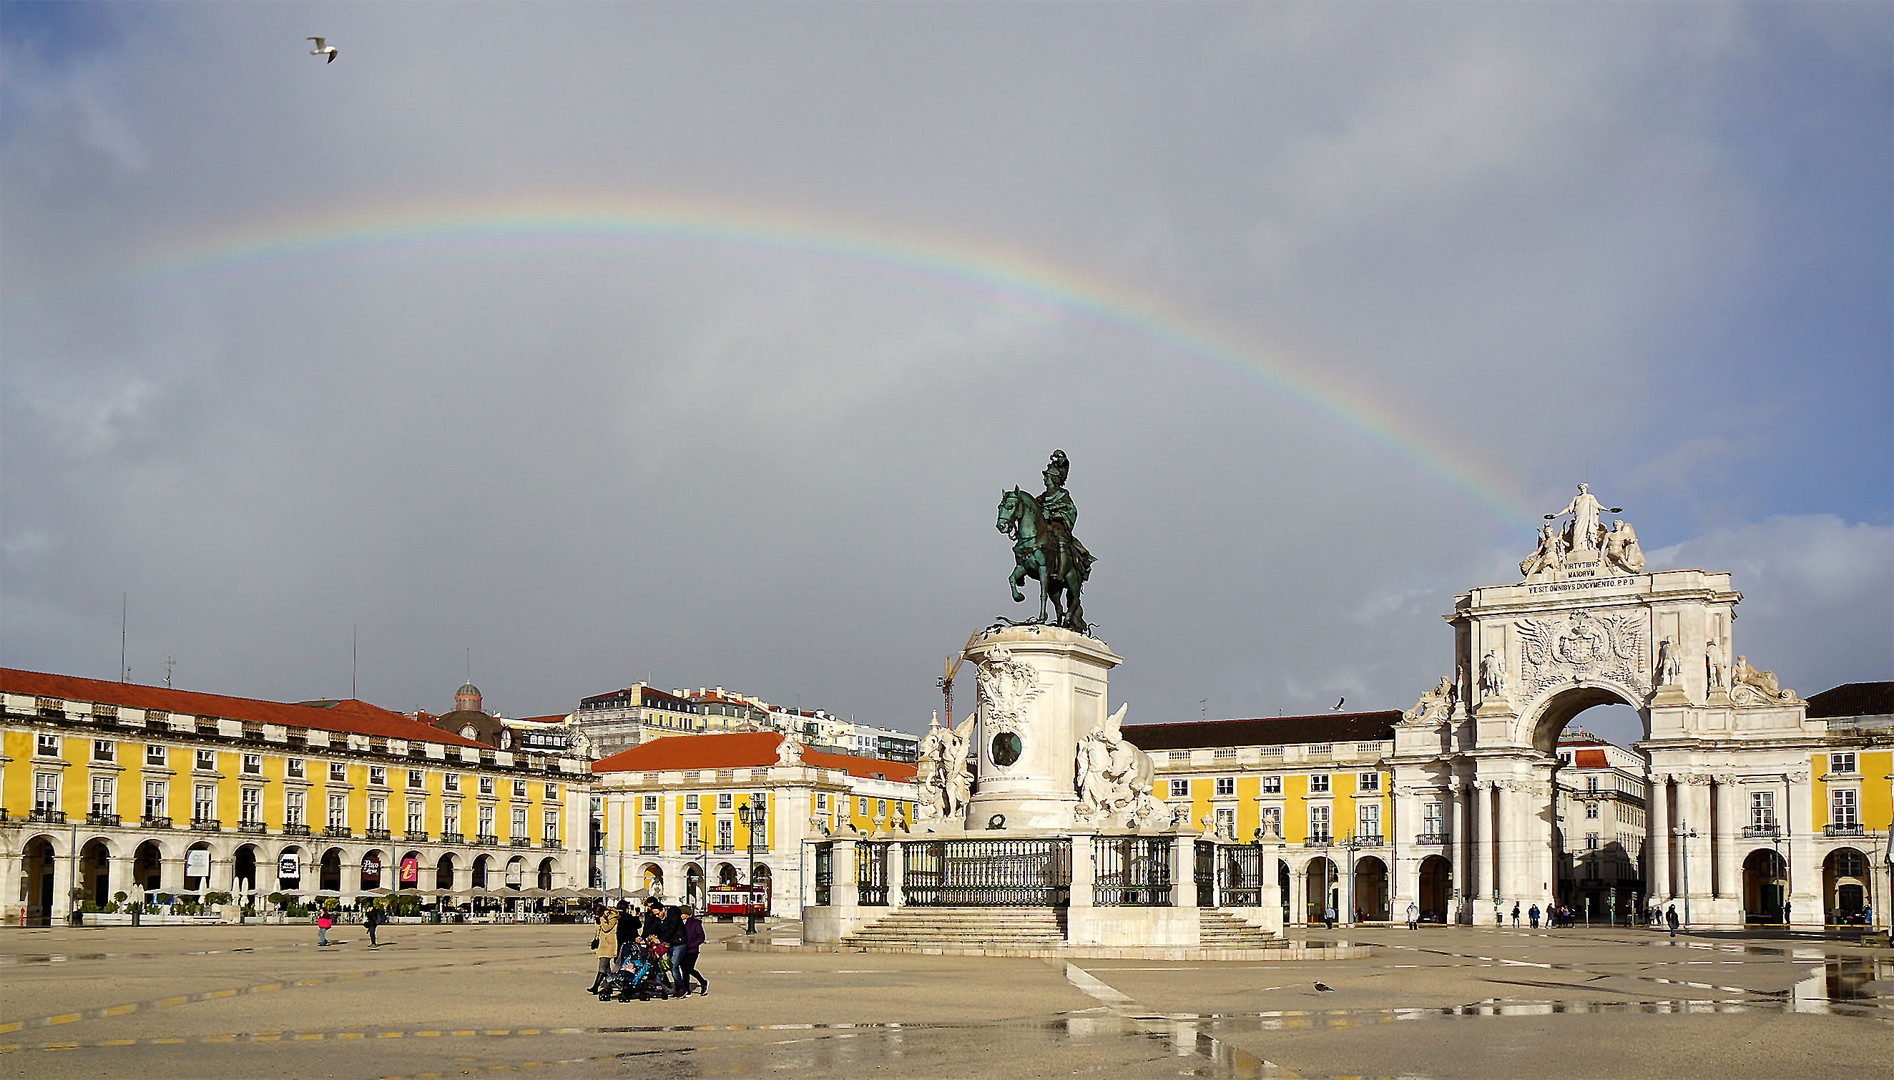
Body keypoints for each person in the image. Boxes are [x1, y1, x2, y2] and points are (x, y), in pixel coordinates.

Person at [676, 906, 709, 996]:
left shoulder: (695, 923)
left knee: (688, 968)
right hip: (680, 949)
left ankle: (703, 982)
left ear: (687, 915)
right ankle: (687, 989)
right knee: (684, 970)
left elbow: (701, 937)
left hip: (692, 950)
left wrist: (691, 945)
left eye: (681, 913)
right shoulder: (677, 922)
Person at [589, 902, 619, 995]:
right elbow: (598, 929)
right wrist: (598, 922)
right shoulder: (602, 918)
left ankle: (595, 986)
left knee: (603, 965)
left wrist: (602, 919)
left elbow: (607, 928)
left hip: (610, 944)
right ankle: (609, 985)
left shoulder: (612, 917)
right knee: (607, 968)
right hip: (603, 944)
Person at [660, 903, 687, 995]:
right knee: (669, 965)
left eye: (658, 913)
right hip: (672, 943)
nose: (657, 916)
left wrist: (661, 939)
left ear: (663, 910)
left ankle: (681, 988)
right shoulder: (665, 918)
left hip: (679, 943)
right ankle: (677, 986)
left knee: (674, 966)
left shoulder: (674, 916)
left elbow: (671, 929)